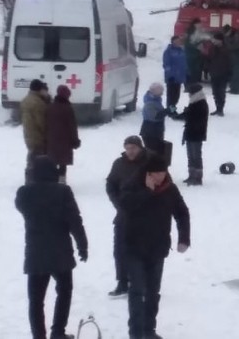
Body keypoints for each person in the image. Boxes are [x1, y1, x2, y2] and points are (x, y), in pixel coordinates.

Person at [119, 153, 190, 339]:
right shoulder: (133, 185)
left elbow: (182, 213)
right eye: (156, 173)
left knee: (152, 291)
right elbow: (125, 206)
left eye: (163, 172)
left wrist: (184, 238)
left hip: (157, 248)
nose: (160, 177)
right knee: (137, 290)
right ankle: (135, 332)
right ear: (147, 173)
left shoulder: (169, 189)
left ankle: (149, 330)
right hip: (134, 247)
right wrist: (147, 192)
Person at [16, 155, 88, 339]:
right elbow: (74, 220)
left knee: (36, 300)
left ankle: (38, 336)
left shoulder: (24, 193)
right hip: (60, 251)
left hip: (35, 253)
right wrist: (82, 244)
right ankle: (58, 332)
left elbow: (21, 207)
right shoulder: (63, 192)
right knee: (64, 291)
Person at [105, 136, 147, 297]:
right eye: (127, 148)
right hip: (123, 214)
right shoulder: (119, 164)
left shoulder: (148, 163)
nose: (130, 151)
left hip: (143, 216)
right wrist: (118, 203)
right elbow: (110, 184)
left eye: (133, 148)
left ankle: (142, 283)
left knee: (140, 251)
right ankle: (122, 281)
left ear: (140, 148)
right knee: (120, 249)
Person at [46, 85, 80, 183]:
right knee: (62, 163)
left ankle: (52, 180)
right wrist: (75, 141)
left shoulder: (50, 107)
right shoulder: (68, 108)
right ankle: (61, 181)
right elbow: (72, 127)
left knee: (52, 161)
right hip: (65, 141)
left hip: (51, 140)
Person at [22, 79, 50, 183]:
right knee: (38, 159)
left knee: (31, 156)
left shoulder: (26, 100)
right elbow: (41, 122)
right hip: (37, 135)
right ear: (40, 89)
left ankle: (29, 178)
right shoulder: (38, 103)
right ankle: (34, 180)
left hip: (28, 134)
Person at [181, 83, 208, 186]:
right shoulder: (194, 102)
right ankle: (191, 175)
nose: (188, 95)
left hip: (196, 134)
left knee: (196, 155)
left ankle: (197, 177)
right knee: (190, 155)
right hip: (191, 133)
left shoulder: (200, 103)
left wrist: (186, 114)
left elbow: (195, 119)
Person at [207, 33, 231, 116]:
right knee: (215, 92)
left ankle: (220, 109)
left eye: (215, 39)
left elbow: (230, 62)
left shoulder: (226, 49)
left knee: (221, 92)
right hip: (214, 73)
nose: (214, 41)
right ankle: (217, 108)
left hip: (223, 74)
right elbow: (208, 59)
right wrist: (208, 69)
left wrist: (229, 73)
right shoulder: (212, 48)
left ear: (220, 40)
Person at [162, 35, 188, 114]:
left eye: (179, 41)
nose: (178, 42)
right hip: (172, 78)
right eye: (176, 41)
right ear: (172, 42)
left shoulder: (181, 51)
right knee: (171, 96)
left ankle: (172, 109)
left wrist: (187, 73)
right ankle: (171, 111)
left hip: (179, 78)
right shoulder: (168, 51)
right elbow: (166, 64)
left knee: (177, 96)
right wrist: (170, 75)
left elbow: (184, 64)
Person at [140, 83, 167, 156]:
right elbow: (155, 117)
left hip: (156, 130)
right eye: (161, 92)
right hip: (150, 131)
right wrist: (168, 111)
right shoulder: (150, 103)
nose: (162, 94)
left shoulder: (156, 100)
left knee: (157, 151)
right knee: (153, 152)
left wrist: (171, 109)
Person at [222, 25, 239, 95]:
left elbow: (234, 46)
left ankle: (237, 89)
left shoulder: (237, 35)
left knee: (237, 73)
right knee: (233, 73)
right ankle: (233, 88)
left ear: (230, 30)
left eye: (226, 33)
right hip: (232, 56)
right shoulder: (232, 34)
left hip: (238, 56)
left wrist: (226, 42)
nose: (225, 35)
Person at [184, 19, 205, 84]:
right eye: (198, 24)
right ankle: (189, 83)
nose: (200, 25)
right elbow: (187, 43)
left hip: (197, 54)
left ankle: (195, 82)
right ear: (194, 24)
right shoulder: (189, 32)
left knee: (197, 69)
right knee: (190, 69)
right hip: (190, 53)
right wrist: (196, 46)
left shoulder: (200, 31)